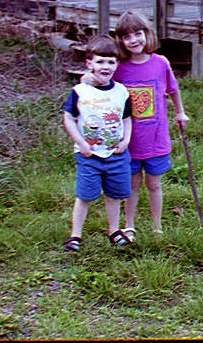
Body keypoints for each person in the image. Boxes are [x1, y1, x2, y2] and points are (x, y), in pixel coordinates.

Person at [113, 10, 189, 241]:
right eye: (127, 37)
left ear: (147, 34)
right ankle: (129, 225)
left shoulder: (160, 63)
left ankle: (156, 226)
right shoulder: (119, 67)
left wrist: (180, 112)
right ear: (121, 41)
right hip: (129, 138)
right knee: (132, 184)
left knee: (153, 184)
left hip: (156, 137)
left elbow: (173, 90)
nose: (134, 40)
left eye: (138, 34)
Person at [62, 34, 133, 252]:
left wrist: (126, 140)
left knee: (115, 195)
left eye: (111, 61)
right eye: (100, 61)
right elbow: (68, 118)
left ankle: (114, 230)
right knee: (85, 195)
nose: (105, 66)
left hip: (116, 155)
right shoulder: (80, 92)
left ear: (117, 64)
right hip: (89, 156)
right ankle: (76, 235)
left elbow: (127, 119)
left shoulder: (121, 92)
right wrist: (80, 142)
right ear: (89, 64)